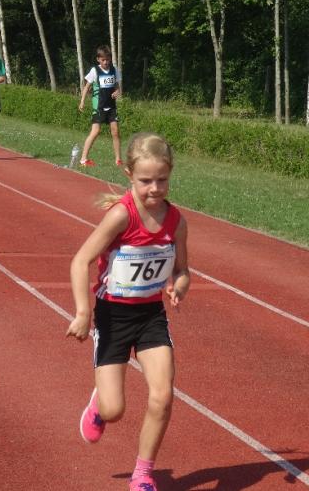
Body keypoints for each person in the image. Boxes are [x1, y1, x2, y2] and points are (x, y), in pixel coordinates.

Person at [66, 132, 190, 491]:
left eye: (162, 180)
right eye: (145, 181)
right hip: (112, 317)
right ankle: (99, 404)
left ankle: (143, 474)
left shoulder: (176, 221)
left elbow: (183, 270)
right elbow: (81, 261)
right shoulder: (122, 215)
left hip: (151, 316)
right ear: (129, 175)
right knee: (114, 410)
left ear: (170, 174)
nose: (154, 189)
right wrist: (83, 313)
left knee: (162, 396)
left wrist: (179, 286)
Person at [78, 45, 122, 167]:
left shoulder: (114, 70)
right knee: (95, 131)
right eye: (103, 60)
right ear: (98, 59)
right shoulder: (95, 71)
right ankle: (83, 159)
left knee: (115, 131)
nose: (106, 62)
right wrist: (82, 101)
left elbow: (117, 86)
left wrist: (117, 91)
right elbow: (87, 87)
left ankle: (118, 159)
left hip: (111, 106)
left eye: (108, 59)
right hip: (99, 106)